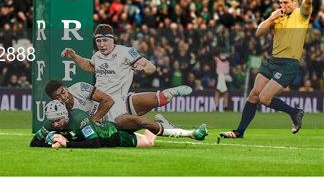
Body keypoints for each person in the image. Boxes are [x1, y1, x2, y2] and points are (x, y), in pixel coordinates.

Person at [220, 0, 322, 139]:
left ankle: (294, 112)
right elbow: (258, 33)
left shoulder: (301, 14)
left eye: (286, 2)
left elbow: (309, 0)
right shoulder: (277, 16)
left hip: (289, 64)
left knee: (265, 98)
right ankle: (239, 131)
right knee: (254, 94)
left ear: (295, 2)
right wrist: (270, 18)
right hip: (273, 61)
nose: (283, 5)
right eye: (280, 2)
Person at [62, 24, 192, 129]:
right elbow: (89, 66)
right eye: (98, 41)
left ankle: (170, 96)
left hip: (121, 100)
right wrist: (74, 56)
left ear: (113, 39)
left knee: (164, 98)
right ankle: (163, 126)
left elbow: (151, 67)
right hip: (100, 103)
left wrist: (143, 68)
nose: (101, 44)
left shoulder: (126, 52)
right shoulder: (97, 56)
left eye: (105, 40)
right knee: (127, 128)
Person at [44, 79, 208, 141]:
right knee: (141, 122)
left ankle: (169, 94)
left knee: (159, 98)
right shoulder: (62, 113)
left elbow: (108, 100)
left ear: (66, 88)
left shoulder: (79, 87)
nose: (63, 97)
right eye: (58, 97)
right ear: (53, 100)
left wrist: (92, 120)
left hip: (117, 104)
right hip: (111, 122)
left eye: (63, 92)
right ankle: (187, 133)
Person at [30, 100, 156, 148]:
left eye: (58, 120)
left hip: (112, 136)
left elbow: (95, 143)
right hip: (104, 130)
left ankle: (158, 124)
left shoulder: (79, 118)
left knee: (149, 143)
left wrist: (66, 144)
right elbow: (34, 142)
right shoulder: (51, 122)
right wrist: (52, 146)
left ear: (65, 115)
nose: (55, 124)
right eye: (53, 122)